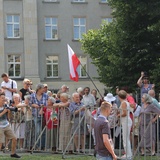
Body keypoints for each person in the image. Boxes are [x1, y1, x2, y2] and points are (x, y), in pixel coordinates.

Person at [0, 92, 21, 158]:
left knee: (14, 138)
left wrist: (9, 112)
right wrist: (3, 112)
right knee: (1, 142)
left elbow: (9, 118)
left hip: (6, 125)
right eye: (2, 98)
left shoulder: (6, 106)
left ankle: (13, 153)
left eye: (4, 98)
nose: (4, 99)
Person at [30, 84, 48, 150]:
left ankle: (42, 146)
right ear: (39, 89)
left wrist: (43, 107)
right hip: (36, 114)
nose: (44, 90)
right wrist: (34, 105)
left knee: (43, 131)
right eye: (43, 88)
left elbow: (47, 104)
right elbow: (30, 103)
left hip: (44, 114)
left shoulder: (46, 95)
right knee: (38, 130)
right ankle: (37, 145)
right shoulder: (32, 95)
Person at [117, 90, 132, 159]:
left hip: (126, 121)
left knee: (125, 138)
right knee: (126, 138)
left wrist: (118, 115)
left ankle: (128, 155)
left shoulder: (123, 103)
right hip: (126, 121)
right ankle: (128, 154)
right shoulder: (126, 102)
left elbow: (124, 113)